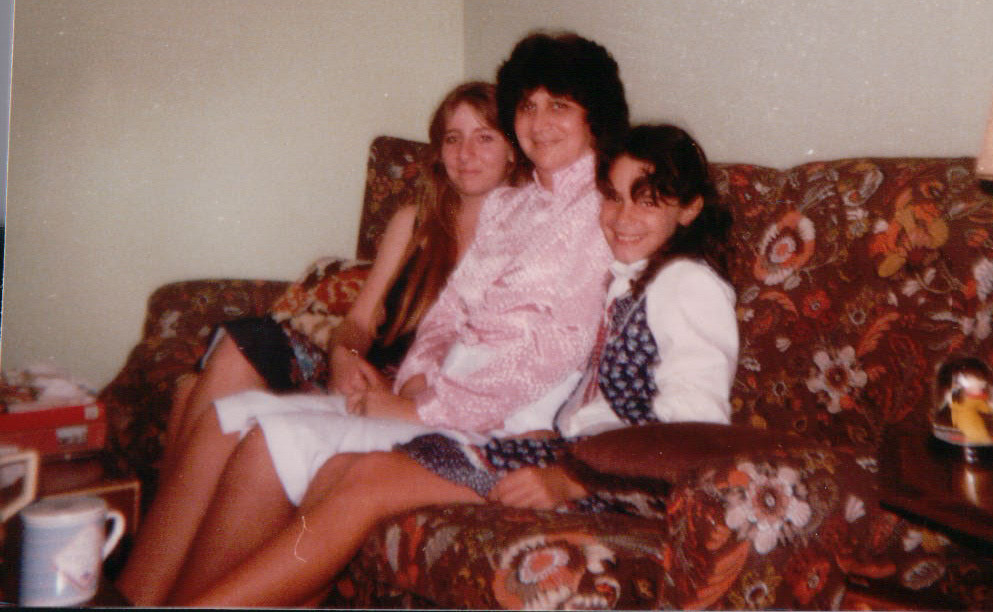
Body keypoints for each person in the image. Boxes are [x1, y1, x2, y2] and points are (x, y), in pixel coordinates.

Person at [120, 31, 630, 606]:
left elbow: (553, 352)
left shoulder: (601, 210)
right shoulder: (513, 204)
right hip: (440, 398)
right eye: (528, 106)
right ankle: (138, 599)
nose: (540, 122)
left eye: (559, 105)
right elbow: (449, 310)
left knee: (269, 438)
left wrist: (421, 407)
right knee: (229, 415)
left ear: (595, 117)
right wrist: (416, 372)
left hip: (493, 422)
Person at [174, 122, 739, 607]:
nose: (621, 216)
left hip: (617, 487)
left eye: (648, 199)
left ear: (689, 209)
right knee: (338, 468)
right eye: (613, 197)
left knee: (365, 481)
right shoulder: (630, 279)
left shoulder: (688, 286)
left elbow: (695, 438)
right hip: (568, 454)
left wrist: (567, 479)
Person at [159, 80, 516, 477]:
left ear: (513, 150)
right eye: (453, 138)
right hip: (355, 378)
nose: (466, 154)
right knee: (239, 345)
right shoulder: (413, 222)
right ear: (439, 150)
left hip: (406, 397)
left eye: (485, 137)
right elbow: (359, 322)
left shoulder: (521, 238)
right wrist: (345, 357)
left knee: (199, 387)